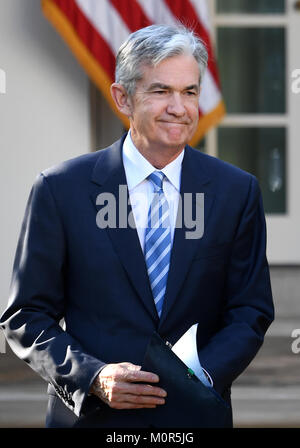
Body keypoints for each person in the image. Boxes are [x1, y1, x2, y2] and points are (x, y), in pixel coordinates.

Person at [0, 24, 274, 428]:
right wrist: (92, 376)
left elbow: (250, 310)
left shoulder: (237, 192)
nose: (179, 108)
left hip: (195, 420)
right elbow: (26, 315)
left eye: (190, 92)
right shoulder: (61, 190)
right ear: (123, 98)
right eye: (161, 91)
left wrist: (199, 378)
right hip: (93, 418)